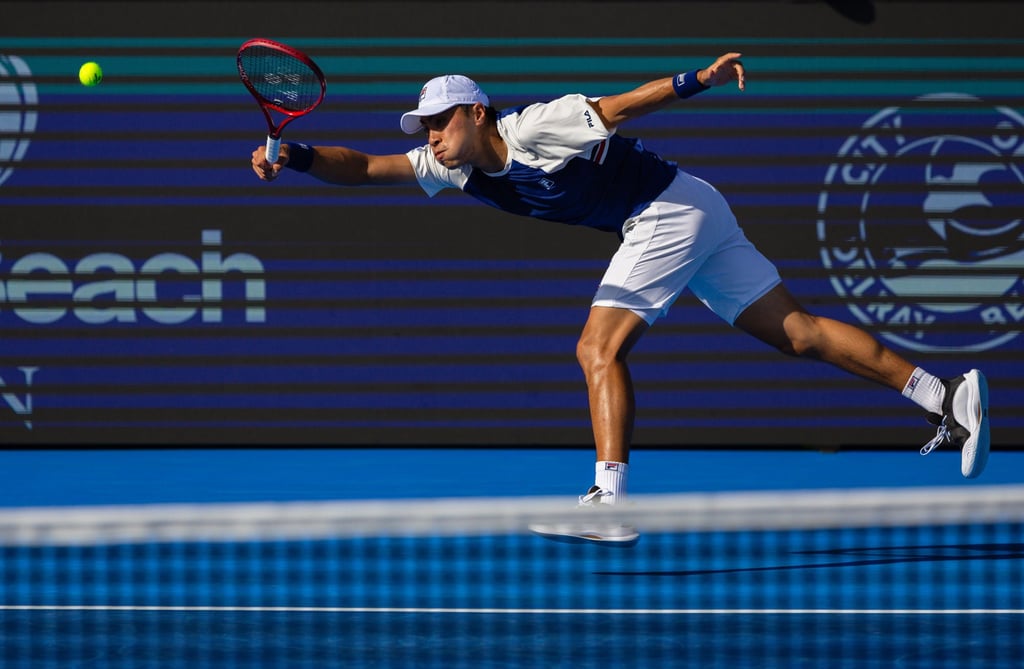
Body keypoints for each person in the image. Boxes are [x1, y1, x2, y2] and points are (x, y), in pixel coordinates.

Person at [251, 52, 990, 546]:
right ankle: (944, 394)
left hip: (666, 209)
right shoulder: (454, 170)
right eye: (426, 129)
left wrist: (695, 79)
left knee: (595, 347)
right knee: (796, 333)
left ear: (477, 114)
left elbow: (623, 107)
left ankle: (613, 501)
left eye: (442, 123)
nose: (432, 138)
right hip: (692, 204)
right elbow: (368, 167)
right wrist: (302, 156)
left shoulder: (535, 125)